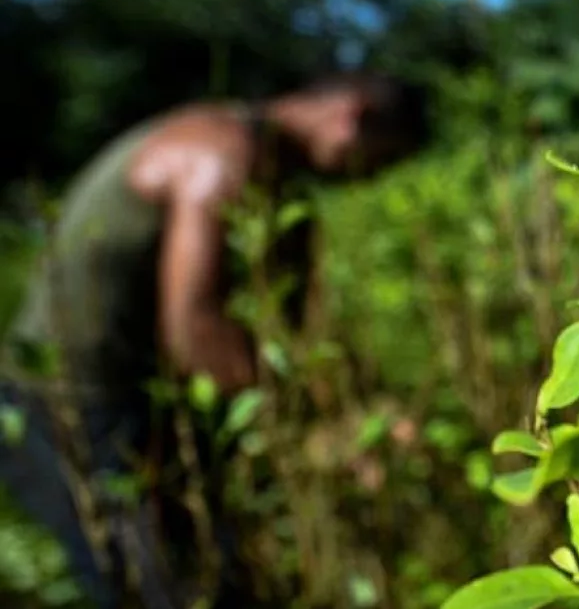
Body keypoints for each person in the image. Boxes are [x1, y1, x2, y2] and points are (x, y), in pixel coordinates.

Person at [0, 72, 431, 608]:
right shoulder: (221, 151)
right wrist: (322, 430)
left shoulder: (282, 194)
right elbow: (196, 329)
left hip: (149, 408)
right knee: (166, 587)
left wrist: (368, 409)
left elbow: (299, 332)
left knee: (224, 573)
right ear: (354, 118)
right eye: (380, 161)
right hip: (67, 408)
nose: (366, 180)